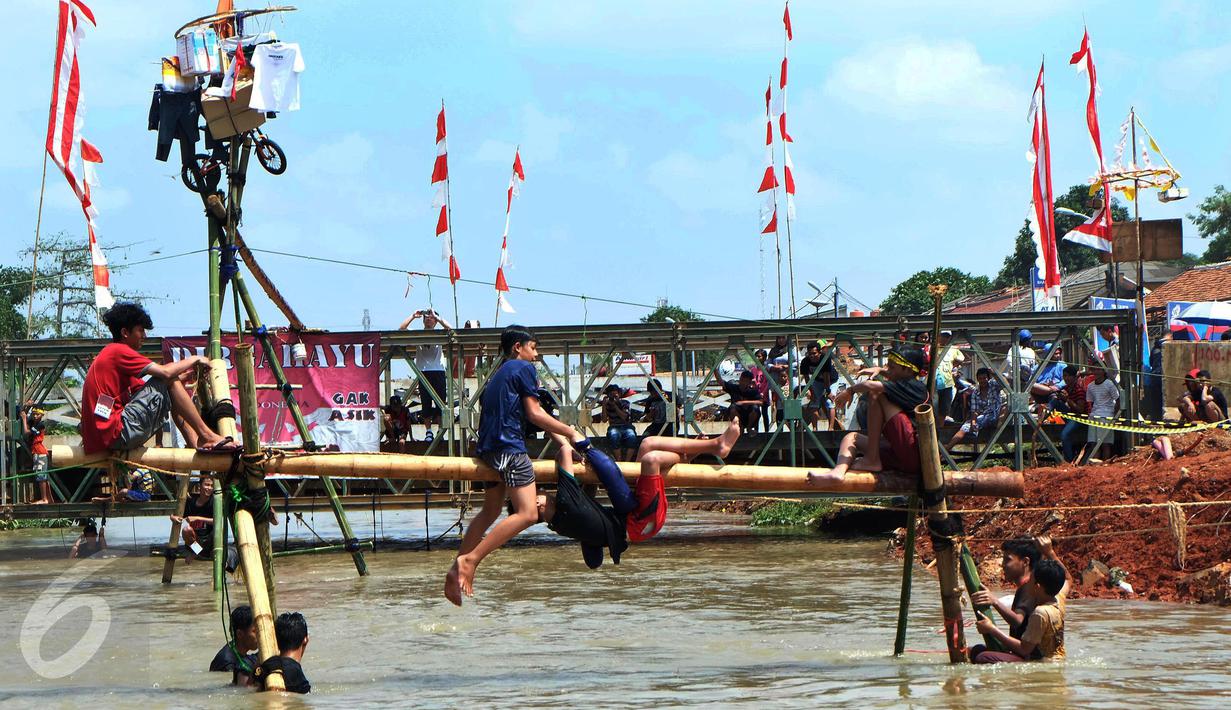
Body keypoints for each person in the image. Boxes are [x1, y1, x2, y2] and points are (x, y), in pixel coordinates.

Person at [445, 325, 589, 606]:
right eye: (533, 348)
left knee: (490, 511)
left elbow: (536, 412)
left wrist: (564, 442)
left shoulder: (499, 374)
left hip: (488, 452)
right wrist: (573, 433)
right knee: (528, 514)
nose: (536, 355)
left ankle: (455, 569)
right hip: (509, 449)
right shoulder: (524, 368)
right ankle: (471, 560)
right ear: (517, 348)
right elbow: (534, 414)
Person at [81, 302, 234, 455]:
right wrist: (194, 359)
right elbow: (165, 373)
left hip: (105, 438)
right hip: (117, 433)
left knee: (170, 382)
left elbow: (153, 389)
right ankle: (207, 436)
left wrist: (188, 376)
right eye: (141, 330)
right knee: (169, 377)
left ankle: (196, 443)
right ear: (125, 332)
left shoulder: (112, 358)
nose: (144, 336)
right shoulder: (118, 351)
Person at [818, 346, 927, 480]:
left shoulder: (915, 387)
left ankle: (871, 458)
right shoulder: (903, 382)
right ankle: (838, 472)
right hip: (897, 454)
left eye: (892, 367)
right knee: (851, 438)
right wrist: (880, 370)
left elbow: (869, 386)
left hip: (912, 454)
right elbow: (893, 375)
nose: (888, 370)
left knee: (876, 393)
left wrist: (850, 391)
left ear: (908, 370)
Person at [973, 557, 1067, 663]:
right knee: (979, 650)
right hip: (1058, 660)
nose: (1027, 583)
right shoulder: (1059, 602)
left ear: (1037, 587)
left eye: (1030, 580)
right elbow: (1068, 580)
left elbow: (1024, 649)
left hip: (1041, 663)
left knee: (983, 657)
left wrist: (991, 629)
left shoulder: (1040, 613)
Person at [398, 308, 454, 428]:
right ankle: (428, 431)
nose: (429, 319)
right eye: (426, 317)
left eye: (431, 317)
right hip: (424, 372)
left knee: (441, 404)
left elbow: (451, 329)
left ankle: (440, 430)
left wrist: (437, 317)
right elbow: (401, 329)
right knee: (426, 403)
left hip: (438, 371)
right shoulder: (417, 333)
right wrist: (413, 316)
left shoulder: (440, 333)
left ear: (436, 321)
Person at [254, 611, 311, 694]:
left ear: (276, 640)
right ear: (305, 640)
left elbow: (251, 684)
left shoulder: (265, 665)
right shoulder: (297, 674)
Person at [947, 367, 1002, 448]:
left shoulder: (993, 385)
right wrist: (973, 422)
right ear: (977, 379)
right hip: (984, 417)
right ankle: (948, 447)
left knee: (987, 418)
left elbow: (1005, 384)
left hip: (996, 415)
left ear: (988, 378)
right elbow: (974, 411)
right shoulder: (975, 393)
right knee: (965, 426)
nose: (982, 380)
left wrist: (994, 374)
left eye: (984, 378)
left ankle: (974, 433)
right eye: (980, 378)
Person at [211, 605, 259, 687]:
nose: (259, 635)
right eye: (255, 631)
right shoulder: (228, 664)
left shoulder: (238, 652)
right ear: (239, 634)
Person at [1084, 359, 1120, 462]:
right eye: (1094, 369)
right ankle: (1095, 464)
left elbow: (1118, 400)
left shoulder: (1109, 384)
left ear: (1104, 371)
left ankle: (1105, 464)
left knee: (1105, 444)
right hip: (1093, 416)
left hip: (1106, 416)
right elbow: (1090, 402)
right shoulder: (1090, 386)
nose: (1096, 372)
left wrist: (1115, 416)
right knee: (1094, 444)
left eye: (1099, 369)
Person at [171, 476, 215, 559]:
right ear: (199, 486)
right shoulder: (191, 502)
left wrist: (197, 518)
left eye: (211, 486)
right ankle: (196, 552)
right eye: (207, 485)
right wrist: (173, 517)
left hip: (209, 542)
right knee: (186, 530)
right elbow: (175, 515)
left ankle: (199, 554)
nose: (209, 488)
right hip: (195, 542)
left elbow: (218, 521)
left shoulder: (214, 502)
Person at [799, 340, 838, 430]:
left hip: (832, 381)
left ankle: (831, 428)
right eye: (810, 354)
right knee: (814, 402)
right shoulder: (805, 361)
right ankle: (815, 428)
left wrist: (828, 392)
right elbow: (807, 378)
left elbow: (826, 377)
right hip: (817, 381)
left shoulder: (825, 359)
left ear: (820, 352)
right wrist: (811, 391)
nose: (812, 356)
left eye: (814, 353)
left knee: (830, 402)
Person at [20, 404, 53, 504]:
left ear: (41, 415)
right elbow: (27, 419)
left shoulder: (40, 425)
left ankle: (44, 499)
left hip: (40, 452)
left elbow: (26, 432)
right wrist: (26, 408)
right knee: (41, 476)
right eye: (34, 414)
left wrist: (24, 419)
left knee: (41, 476)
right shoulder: (34, 424)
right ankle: (48, 499)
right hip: (36, 452)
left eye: (37, 414)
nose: (35, 416)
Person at [1056, 365, 1088, 462]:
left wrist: (1067, 399)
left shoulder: (1079, 390)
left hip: (1079, 418)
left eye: (1068, 376)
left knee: (1064, 435)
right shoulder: (1066, 388)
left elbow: (1080, 410)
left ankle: (1069, 461)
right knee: (1054, 401)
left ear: (1074, 377)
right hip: (1070, 416)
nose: (1066, 378)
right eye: (1064, 376)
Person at [934, 330, 965, 424]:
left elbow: (961, 359)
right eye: (943, 335)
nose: (945, 338)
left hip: (947, 383)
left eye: (947, 336)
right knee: (932, 408)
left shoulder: (953, 349)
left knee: (943, 410)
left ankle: (940, 428)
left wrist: (952, 367)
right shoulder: (932, 348)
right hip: (933, 383)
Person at [601, 384, 637, 461]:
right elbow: (604, 420)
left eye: (615, 395)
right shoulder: (607, 405)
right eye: (611, 395)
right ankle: (619, 460)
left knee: (631, 436)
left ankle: (627, 461)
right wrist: (604, 405)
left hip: (626, 425)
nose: (613, 398)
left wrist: (615, 406)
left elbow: (624, 417)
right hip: (614, 426)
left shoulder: (625, 403)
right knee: (614, 435)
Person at [751, 349, 771, 431]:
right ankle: (756, 431)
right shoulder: (753, 370)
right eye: (756, 356)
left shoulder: (766, 369)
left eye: (759, 356)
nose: (757, 358)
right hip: (756, 394)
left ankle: (766, 431)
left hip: (764, 395)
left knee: (764, 413)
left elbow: (768, 382)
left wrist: (763, 392)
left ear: (764, 358)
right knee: (756, 413)